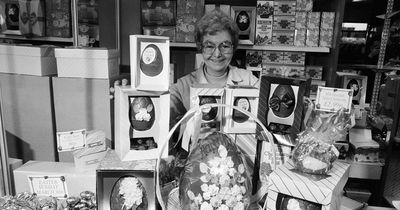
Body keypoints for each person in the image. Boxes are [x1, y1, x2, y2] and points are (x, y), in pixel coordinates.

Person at [169, 9, 259, 127]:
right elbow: (163, 112)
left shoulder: (249, 80)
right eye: (209, 46)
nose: (217, 54)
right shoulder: (184, 86)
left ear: (233, 47)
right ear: (201, 47)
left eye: (225, 46)